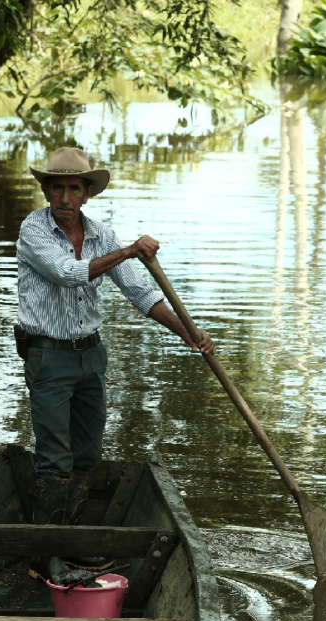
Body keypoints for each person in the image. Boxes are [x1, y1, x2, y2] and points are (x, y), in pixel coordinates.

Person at [16, 146, 215, 582]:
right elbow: (69, 273)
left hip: (90, 355)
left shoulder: (101, 234)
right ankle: (44, 556)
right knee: (54, 458)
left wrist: (187, 332)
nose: (65, 196)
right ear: (47, 190)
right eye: (58, 187)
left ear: (87, 193)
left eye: (74, 188)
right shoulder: (33, 229)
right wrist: (127, 251)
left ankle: (76, 545)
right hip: (47, 354)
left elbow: (140, 294)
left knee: (87, 454)